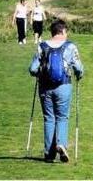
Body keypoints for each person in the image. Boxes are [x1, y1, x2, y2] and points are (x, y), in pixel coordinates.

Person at [29, 20, 84, 163]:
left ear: (52, 32)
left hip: (45, 88)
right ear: (63, 31)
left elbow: (33, 69)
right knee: (62, 117)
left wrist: (39, 74)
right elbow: (79, 68)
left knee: (49, 118)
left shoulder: (42, 46)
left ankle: (49, 153)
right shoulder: (70, 46)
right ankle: (61, 144)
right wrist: (79, 75)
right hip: (63, 86)